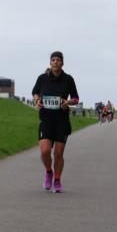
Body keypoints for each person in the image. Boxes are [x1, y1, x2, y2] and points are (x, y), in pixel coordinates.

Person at [31, 52, 80, 193]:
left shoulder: (68, 79)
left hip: (61, 121)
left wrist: (68, 102)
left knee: (58, 154)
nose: (56, 62)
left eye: (58, 60)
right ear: (50, 63)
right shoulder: (42, 78)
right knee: (45, 151)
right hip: (46, 119)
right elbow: (34, 92)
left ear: (62, 63)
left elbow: (76, 98)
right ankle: (48, 172)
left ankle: (57, 181)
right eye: (53, 60)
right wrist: (37, 100)